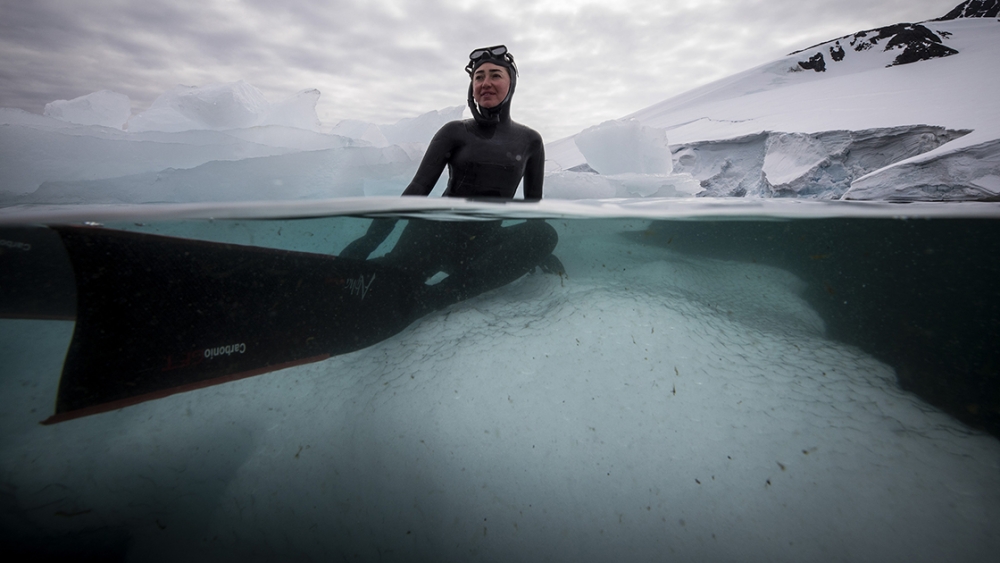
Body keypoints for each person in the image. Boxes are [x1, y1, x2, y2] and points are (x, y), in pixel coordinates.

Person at [340, 45, 562, 313]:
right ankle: (342, 279)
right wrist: (368, 242)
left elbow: (533, 208)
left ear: (511, 83)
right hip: (434, 236)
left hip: (482, 245)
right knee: (390, 276)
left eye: (495, 75)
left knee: (544, 234)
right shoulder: (455, 132)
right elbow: (417, 189)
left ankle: (434, 299)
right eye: (478, 77)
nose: (485, 83)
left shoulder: (530, 141)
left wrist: (536, 251)